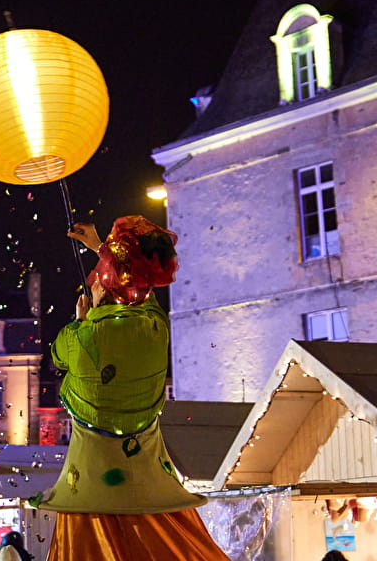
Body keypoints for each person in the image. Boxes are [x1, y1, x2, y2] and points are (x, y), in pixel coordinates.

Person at [33, 217, 229, 560]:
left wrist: (83, 318)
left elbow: (58, 355)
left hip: (92, 485)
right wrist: (102, 249)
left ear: (102, 287)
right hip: (148, 480)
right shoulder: (154, 324)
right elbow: (142, 290)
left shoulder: (86, 337)